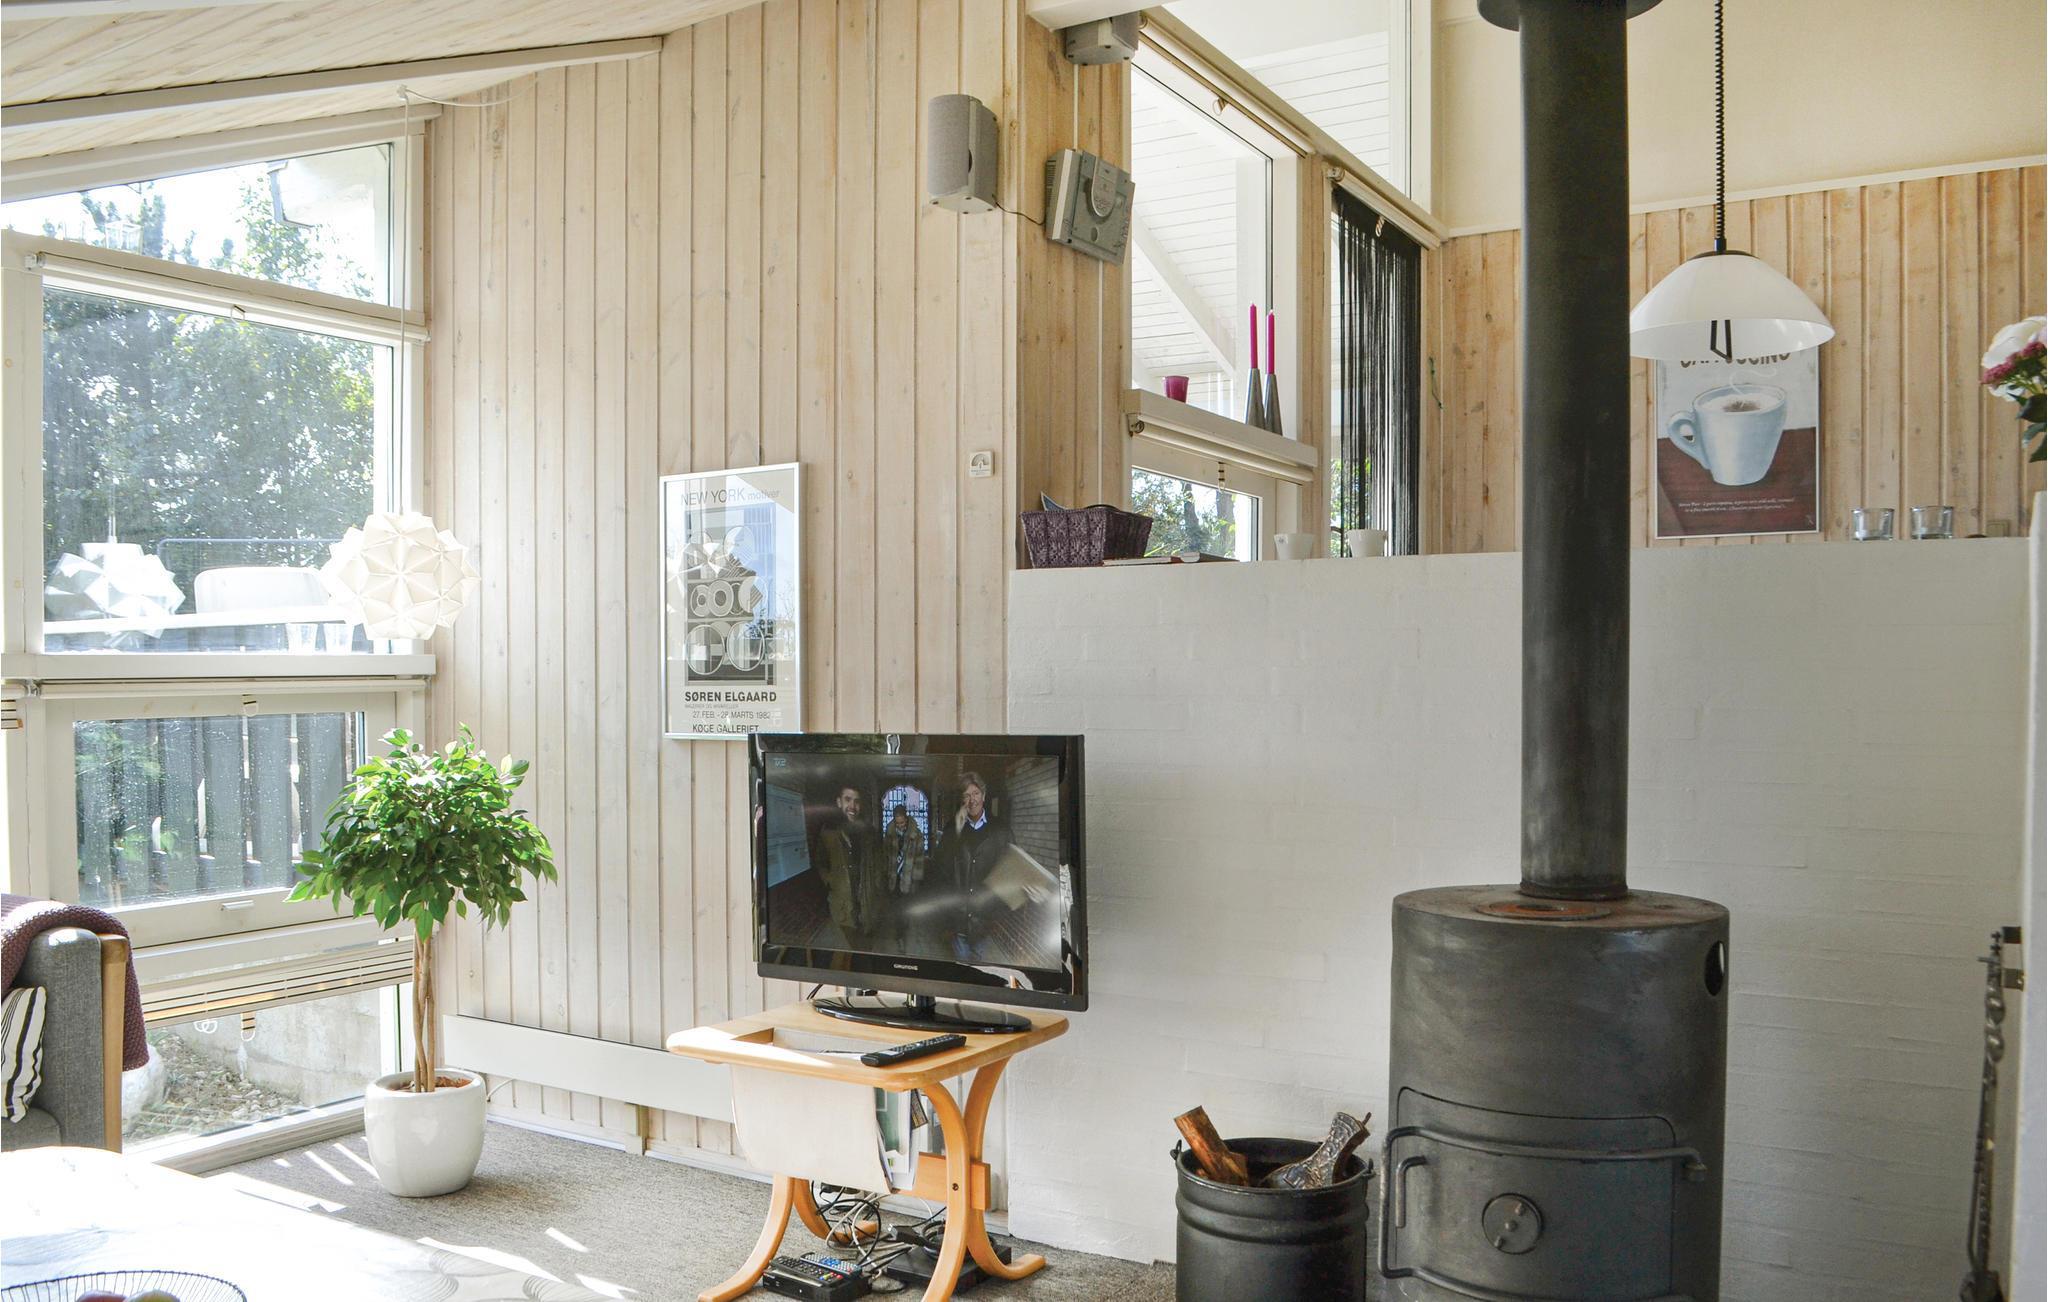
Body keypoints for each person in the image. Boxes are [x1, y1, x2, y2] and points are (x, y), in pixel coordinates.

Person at [937, 771, 1009, 962]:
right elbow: (940, 869)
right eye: (966, 795)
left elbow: (1010, 870)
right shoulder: (951, 829)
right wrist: (956, 831)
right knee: (962, 968)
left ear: (984, 796)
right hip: (958, 920)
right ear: (962, 800)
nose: (972, 800)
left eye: (976, 793)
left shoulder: (1001, 830)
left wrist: (997, 915)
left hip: (985, 920)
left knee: (978, 968)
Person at [816, 784, 883, 945]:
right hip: (843, 903)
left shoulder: (870, 833)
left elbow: (879, 862)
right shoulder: (828, 832)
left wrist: (877, 885)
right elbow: (820, 862)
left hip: (867, 900)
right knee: (851, 941)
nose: (852, 806)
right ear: (839, 802)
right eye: (848, 800)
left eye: (857, 801)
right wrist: (831, 881)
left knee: (867, 943)